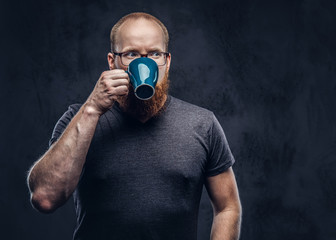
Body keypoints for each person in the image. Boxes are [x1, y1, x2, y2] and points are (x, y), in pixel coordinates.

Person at [27, 12, 242, 240]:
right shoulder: (79, 118)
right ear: (113, 62)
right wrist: (91, 109)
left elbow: (228, 206)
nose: (145, 62)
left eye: (154, 54)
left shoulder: (202, 124)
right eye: (131, 54)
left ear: (166, 62)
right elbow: (45, 197)